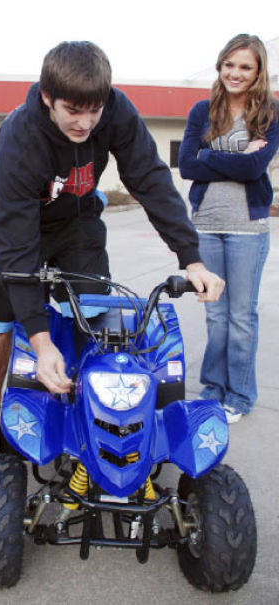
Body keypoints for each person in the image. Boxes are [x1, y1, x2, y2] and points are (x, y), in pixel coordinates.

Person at [0, 40, 224, 449]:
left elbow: (150, 178)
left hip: (76, 217)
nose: (86, 123)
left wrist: (191, 259)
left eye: (95, 111)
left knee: (94, 306)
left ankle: (80, 397)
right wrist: (40, 341)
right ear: (47, 97)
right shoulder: (20, 135)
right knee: (5, 315)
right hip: (11, 219)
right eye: (73, 111)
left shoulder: (116, 110)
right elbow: (16, 247)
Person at [179, 34, 279, 423]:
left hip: (247, 229)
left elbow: (254, 169)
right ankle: (211, 389)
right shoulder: (202, 111)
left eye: (245, 67)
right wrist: (232, 156)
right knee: (215, 317)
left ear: (258, 72)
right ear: (220, 67)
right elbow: (187, 165)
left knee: (240, 317)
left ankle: (238, 395)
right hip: (205, 225)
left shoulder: (269, 114)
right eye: (229, 65)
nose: (235, 73)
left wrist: (209, 155)